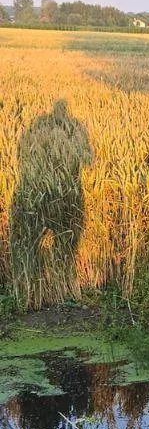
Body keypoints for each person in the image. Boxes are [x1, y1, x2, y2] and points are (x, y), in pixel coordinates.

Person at [10, 99, 92, 309]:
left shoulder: (36, 126)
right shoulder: (75, 127)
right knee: (65, 244)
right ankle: (62, 290)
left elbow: (20, 154)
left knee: (31, 247)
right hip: (65, 196)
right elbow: (89, 159)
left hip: (34, 194)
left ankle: (30, 297)